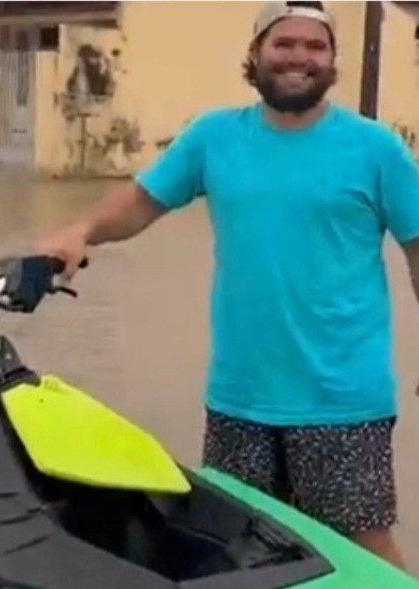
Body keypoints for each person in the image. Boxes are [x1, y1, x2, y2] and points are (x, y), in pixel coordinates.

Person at [36, 0, 419, 570]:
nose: (298, 58)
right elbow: (142, 202)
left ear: (333, 61)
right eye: (283, 43)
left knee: (361, 551)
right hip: (239, 397)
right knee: (239, 551)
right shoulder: (213, 137)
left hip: (342, 401)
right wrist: (80, 230)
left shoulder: (376, 149)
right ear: (256, 53)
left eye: (315, 46)